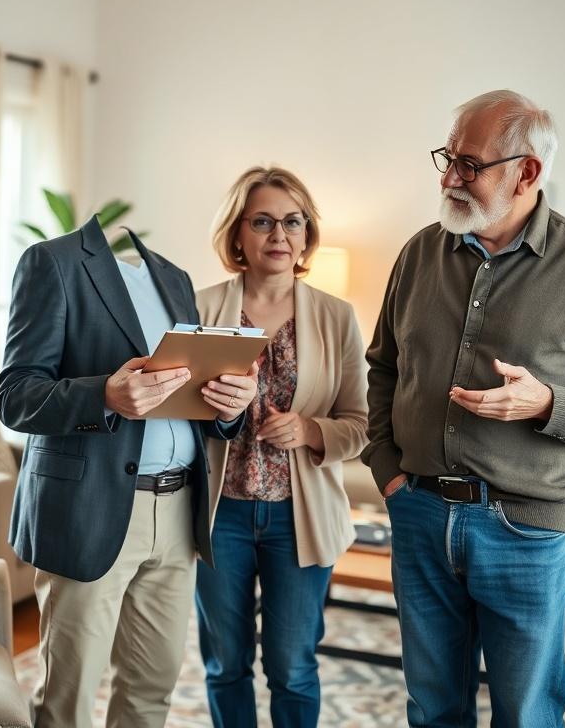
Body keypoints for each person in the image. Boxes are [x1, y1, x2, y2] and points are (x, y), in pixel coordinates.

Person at [364, 90, 565, 728]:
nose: (449, 176)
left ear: (526, 172)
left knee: (526, 715)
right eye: (447, 158)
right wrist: (387, 469)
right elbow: (385, 367)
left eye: (468, 164)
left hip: (525, 529)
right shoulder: (420, 254)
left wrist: (548, 403)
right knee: (432, 709)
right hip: (419, 513)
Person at [0, 216, 258, 728]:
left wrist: (231, 408)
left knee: (152, 688)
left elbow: (188, 394)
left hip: (180, 510)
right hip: (89, 509)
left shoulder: (175, 278)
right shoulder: (53, 263)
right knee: (67, 696)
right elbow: (14, 395)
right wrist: (104, 395)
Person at [195, 166, 368, 727]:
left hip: (301, 517)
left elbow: (361, 425)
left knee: (293, 668)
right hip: (221, 516)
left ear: (307, 234)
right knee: (225, 664)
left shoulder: (336, 317)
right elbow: (172, 422)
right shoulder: (199, 310)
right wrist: (214, 413)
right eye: (263, 221)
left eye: (292, 222)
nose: (279, 235)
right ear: (238, 234)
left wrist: (311, 430)